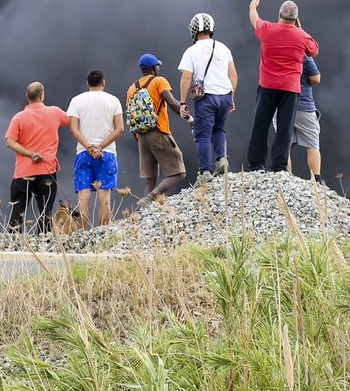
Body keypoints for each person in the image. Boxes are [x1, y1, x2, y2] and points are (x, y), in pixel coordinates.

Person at [245, 0, 319, 173]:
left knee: (260, 125)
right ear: (296, 19)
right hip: (290, 89)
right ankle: (279, 167)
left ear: (279, 14)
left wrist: (253, 6)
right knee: (285, 129)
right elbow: (314, 49)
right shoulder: (301, 36)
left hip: (267, 85)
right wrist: (300, 30)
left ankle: (257, 165)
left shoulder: (267, 29)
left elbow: (254, 19)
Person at [4, 81, 70, 234]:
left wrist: (30, 154)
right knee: (45, 211)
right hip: (47, 170)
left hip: (23, 172)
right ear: (42, 96)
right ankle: (44, 241)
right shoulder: (55, 112)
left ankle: (13, 242)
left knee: (17, 211)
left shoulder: (18, 118)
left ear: (27, 96)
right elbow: (71, 120)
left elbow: (10, 142)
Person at [179, 12, 238, 177]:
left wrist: (182, 102)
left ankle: (205, 172)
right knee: (218, 129)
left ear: (193, 30)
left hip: (206, 98)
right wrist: (231, 97)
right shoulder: (224, 48)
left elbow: (186, 77)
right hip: (225, 96)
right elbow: (233, 75)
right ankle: (222, 159)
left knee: (202, 134)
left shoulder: (191, 51)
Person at [127, 53, 189, 204]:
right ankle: (150, 198)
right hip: (158, 132)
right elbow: (172, 102)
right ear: (154, 68)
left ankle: (144, 211)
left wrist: (139, 138)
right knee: (178, 172)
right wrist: (187, 116)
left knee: (151, 179)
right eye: (158, 66)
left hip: (142, 137)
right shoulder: (159, 81)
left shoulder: (131, 89)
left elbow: (131, 116)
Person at [67, 70, 124, 229]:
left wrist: (89, 147)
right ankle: (102, 234)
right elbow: (120, 129)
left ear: (88, 83)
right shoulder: (113, 100)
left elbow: (73, 129)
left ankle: (83, 234)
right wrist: (100, 147)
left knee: (83, 197)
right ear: (103, 83)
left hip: (83, 153)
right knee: (104, 198)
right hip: (107, 154)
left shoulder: (77, 100)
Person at [272, 51, 323, 181]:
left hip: (280, 104)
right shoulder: (301, 52)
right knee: (312, 144)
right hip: (303, 104)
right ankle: (316, 179)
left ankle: (286, 177)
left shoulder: (274, 51)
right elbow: (316, 78)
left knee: (285, 144)